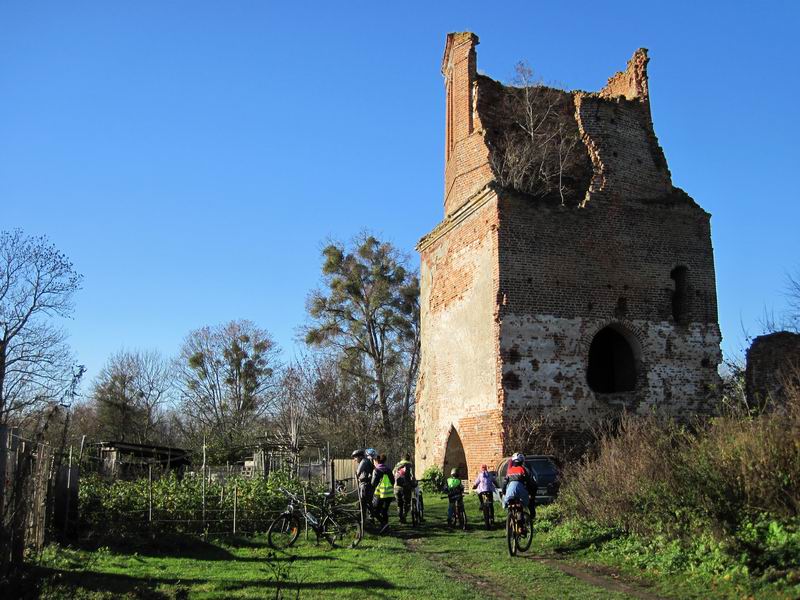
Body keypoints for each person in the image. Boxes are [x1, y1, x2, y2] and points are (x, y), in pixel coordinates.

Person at [501, 452, 537, 524]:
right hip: (520, 490)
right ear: (522, 461)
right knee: (525, 503)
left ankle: (510, 520)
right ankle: (526, 521)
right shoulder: (524, 470)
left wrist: (504, 491)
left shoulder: (510, 471)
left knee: (508, 503)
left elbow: (505, 482)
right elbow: (529, 482)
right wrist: (531, 493)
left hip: (510, 491)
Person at [370, 453, 395, 534]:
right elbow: (393, 481)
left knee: (375, 511)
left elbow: (373, 483)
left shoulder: (376, 470)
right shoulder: (388, 470)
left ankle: (384, 525)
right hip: (389, 493)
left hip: (379, 493)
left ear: (377, 461)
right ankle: (386, 528)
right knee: (384, 511)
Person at [393, 453, 416, 523]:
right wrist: (413, 484)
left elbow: (393, 473)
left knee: (399, 503)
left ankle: (400, 518)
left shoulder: (397, 465)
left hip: (396, 487)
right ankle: (404, 515)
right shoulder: (409, 465)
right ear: (409, 458)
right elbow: (412, 477)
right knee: (407, 502)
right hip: (406, 487)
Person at [354, 448, 376, 523]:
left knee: (363, 502)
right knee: (369, 502)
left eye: (355, 457)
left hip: (364, 485)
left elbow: (358, 472)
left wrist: (357, 477)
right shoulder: (368, 461)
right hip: (368, 484)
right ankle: (371, 517)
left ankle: (362, 519)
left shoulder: (363, 461)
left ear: (360, 456)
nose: (355, 459)